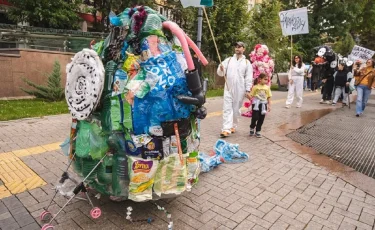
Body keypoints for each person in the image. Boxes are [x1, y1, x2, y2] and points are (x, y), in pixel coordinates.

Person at [217, 41, 253, 137]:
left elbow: (249, 77)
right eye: (236, 47)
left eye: (239, 47)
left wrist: (248, 90)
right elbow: (220, 72)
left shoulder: (247, 63)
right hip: (228, 87)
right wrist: (221, 69)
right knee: (227, 108)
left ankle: (233, 125)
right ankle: (226, 129)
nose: (237, 48)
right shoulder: (228, 60)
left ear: (243, 49)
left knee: (236, 109)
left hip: (240, 89)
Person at [248, 73, 271, 138]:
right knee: (255, 117)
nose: (266, 81)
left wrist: (269, 105)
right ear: (260, 79)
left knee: (261, 118)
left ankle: (258, 131)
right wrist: (248, 95)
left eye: (267, 80)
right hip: (256, 104)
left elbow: (269, 97)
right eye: (265, 79)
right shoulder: (255, 87)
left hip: (264, 105)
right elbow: (251, 95)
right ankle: (252, 127)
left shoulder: (267, 88)